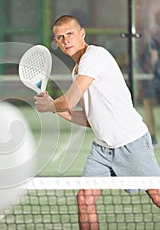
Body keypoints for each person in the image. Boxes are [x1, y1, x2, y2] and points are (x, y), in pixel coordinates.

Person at [34, 15, 160, 230]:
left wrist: (50, 105)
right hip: (103, 149)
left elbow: (69, 101)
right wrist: (53, 109)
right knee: (84, 199)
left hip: (130, 142)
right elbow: (88, 118)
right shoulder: (78, 71)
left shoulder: (95, 57)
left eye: (70, 34)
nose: (66, 40)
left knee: (157, 196)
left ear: (82, 33)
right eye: (60, 37)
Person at [142, 10, 160, 148]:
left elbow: (154, 58)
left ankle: (153, 137)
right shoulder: (154, 35)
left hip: (157, 76)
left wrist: (150, 66)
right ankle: (152, 137)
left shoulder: (155, 36)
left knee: (148, 102)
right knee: (148, 101)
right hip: (157, 76)